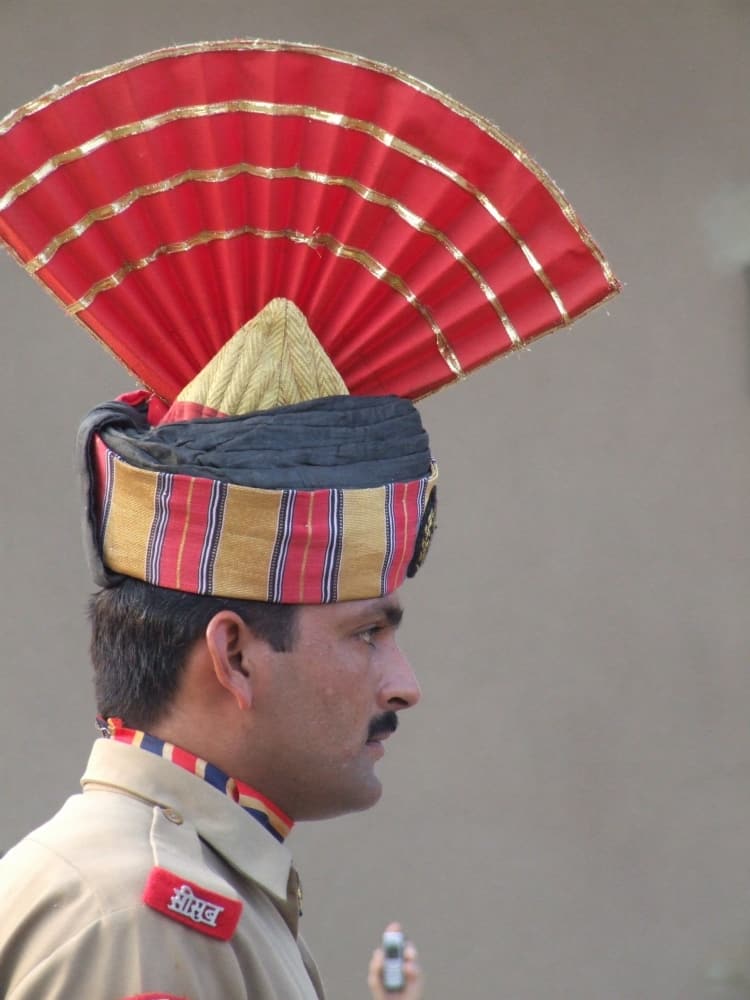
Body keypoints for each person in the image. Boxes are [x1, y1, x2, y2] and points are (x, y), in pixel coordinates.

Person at [0, 40, 617, 1000]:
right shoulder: (134, 917)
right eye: (368, 631)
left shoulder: (185, 894)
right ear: (236, 655)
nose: (404, 685)